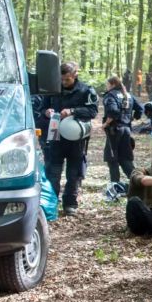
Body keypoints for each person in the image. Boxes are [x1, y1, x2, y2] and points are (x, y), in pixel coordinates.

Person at [32, 61, 99, 216]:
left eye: (67, 79)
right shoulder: (53, 90)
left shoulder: (85, 90)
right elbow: (41, 109)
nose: (64, 82)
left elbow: (92, 111)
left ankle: (70, 203)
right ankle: (52, 203)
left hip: (76, 138)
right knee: (53, 171)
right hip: (55, 135)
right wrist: (47, 112)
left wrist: (73, 111)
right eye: (61, 79)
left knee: (74, 173)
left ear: (75, 75)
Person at [102, 75, 142, 186]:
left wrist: (105, 124)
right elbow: (140, 109)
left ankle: (115, 184)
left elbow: (113, 112)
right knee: (125, 158)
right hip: (126, 130)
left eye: (107, 84)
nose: (107, 87)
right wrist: (132, 118)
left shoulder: (110, 96)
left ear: (113, 84)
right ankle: (138, 182)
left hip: (114, 131)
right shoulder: (129, 95)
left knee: (112, 158)